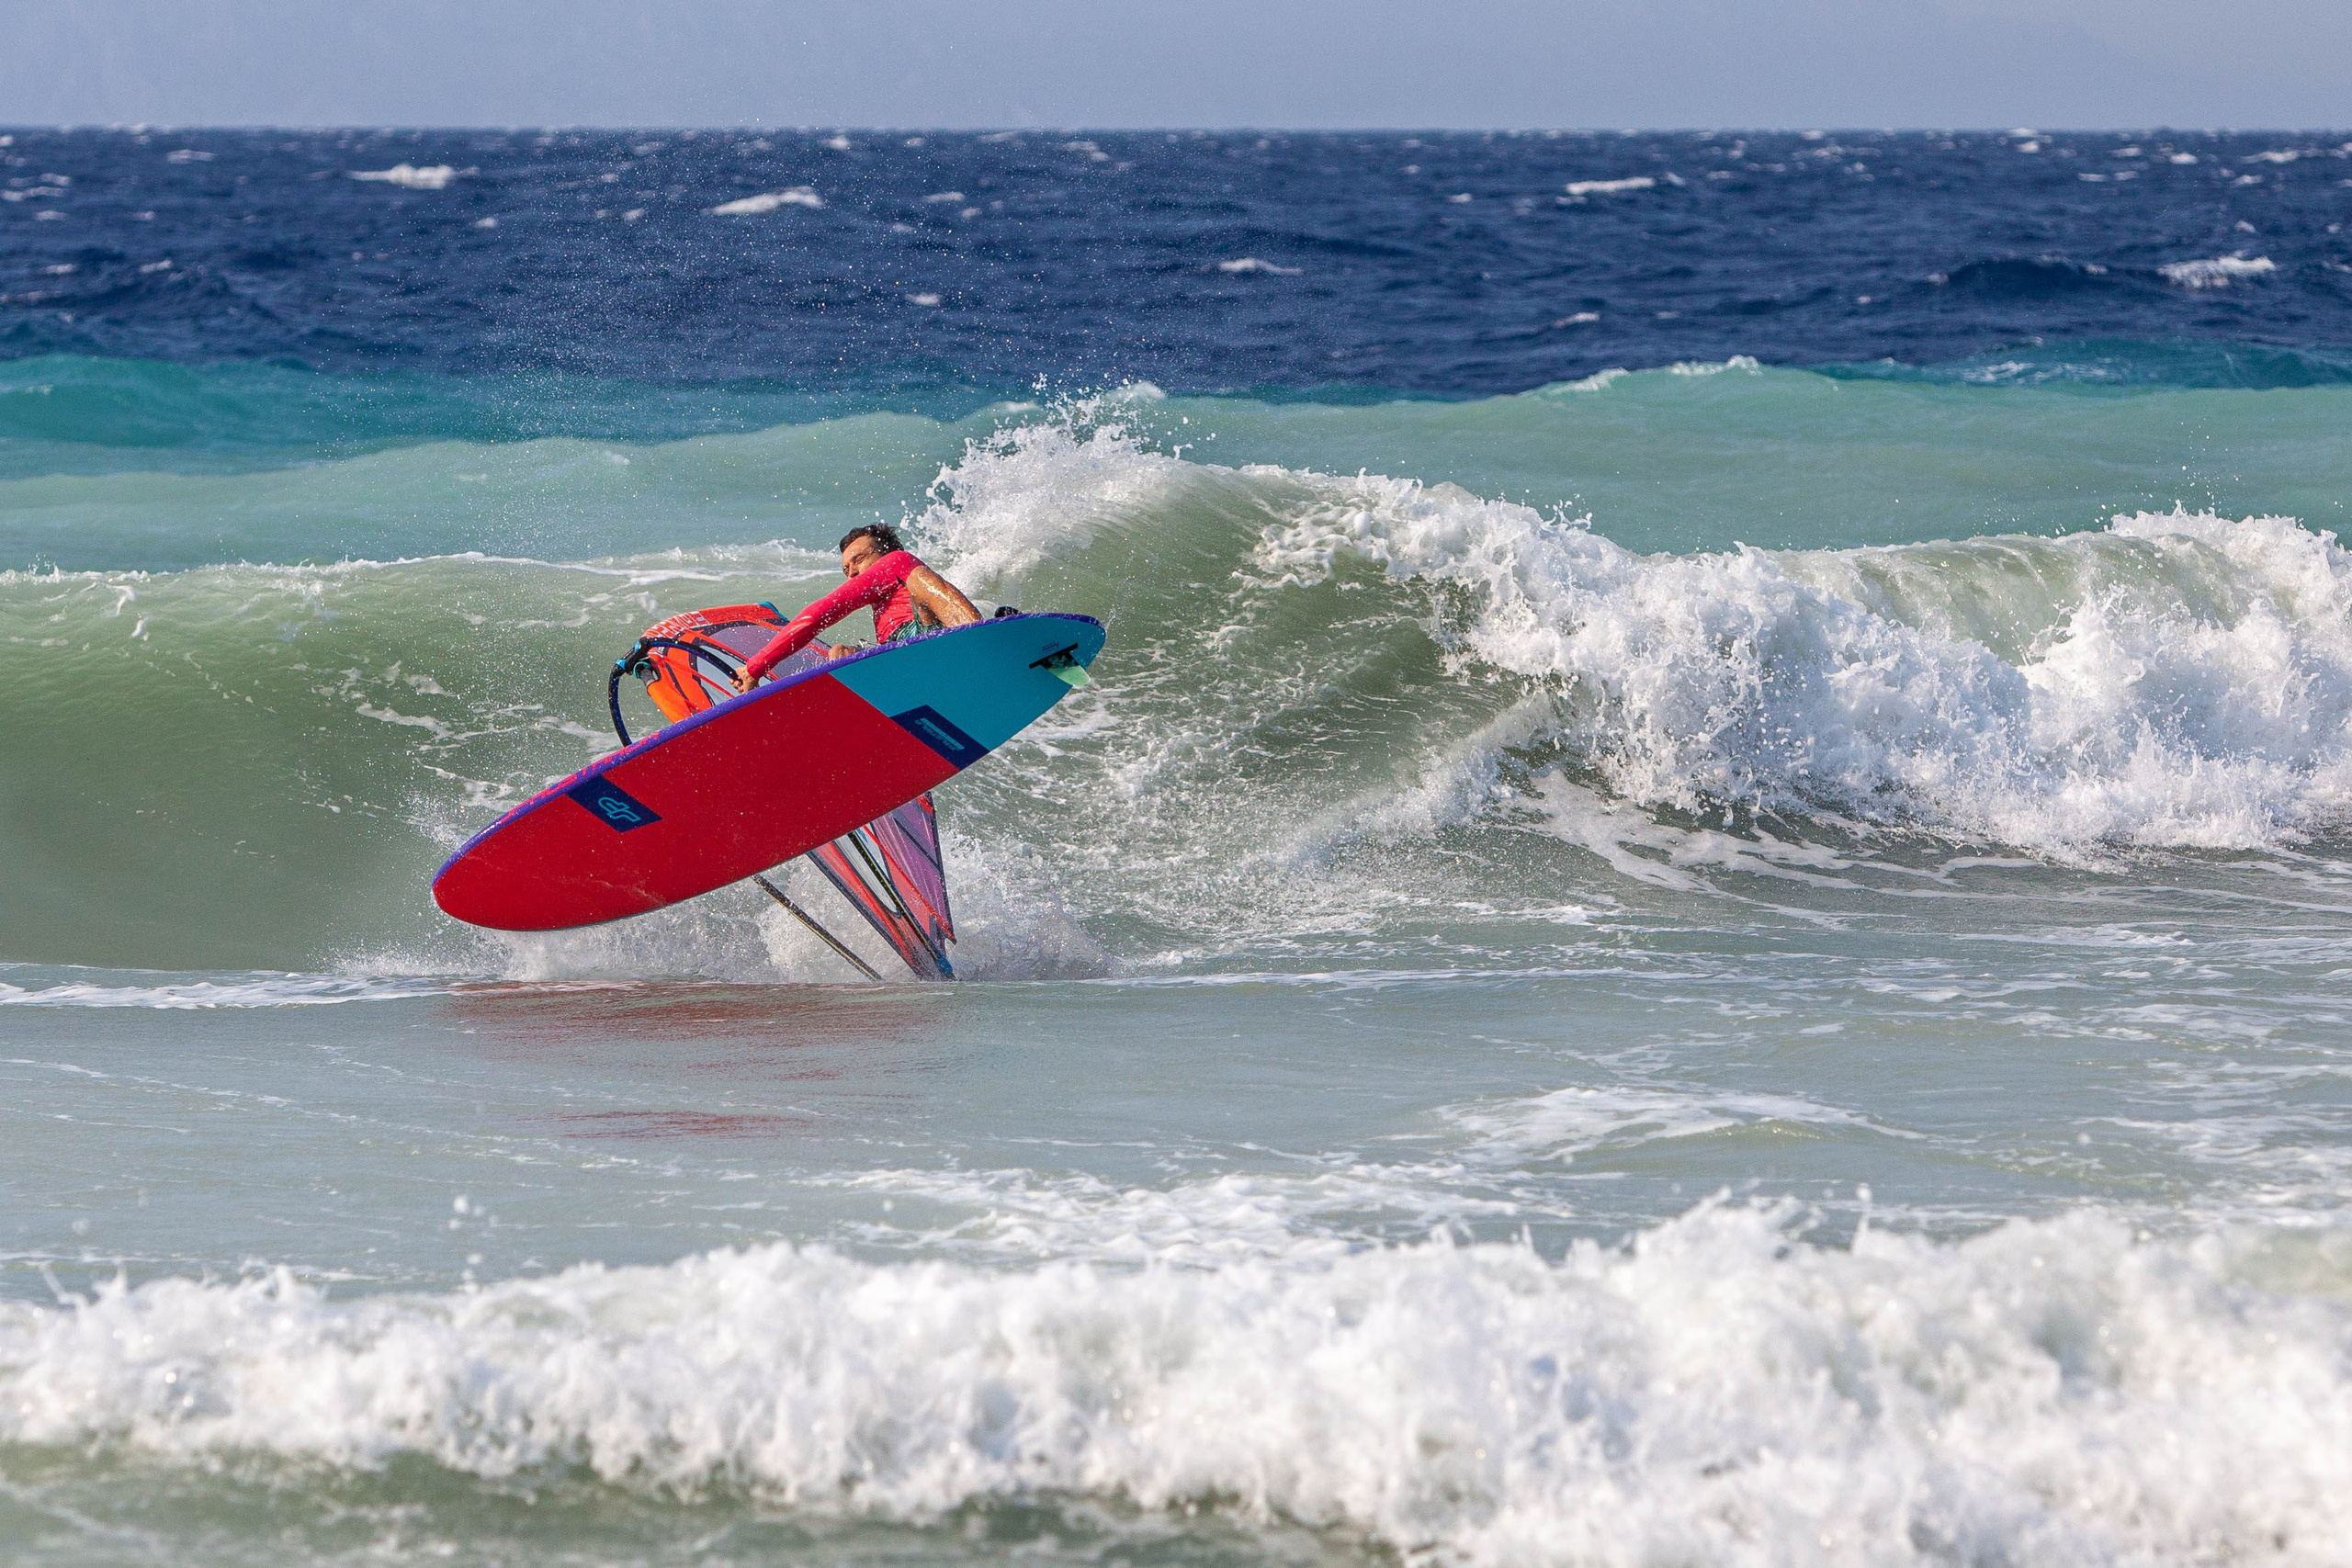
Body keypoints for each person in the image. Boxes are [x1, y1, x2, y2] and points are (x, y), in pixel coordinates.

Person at [732, 524, 981, 691]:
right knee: (840, 654)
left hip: (934, 637)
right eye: (845, 569)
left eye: (858, 559)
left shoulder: (896, 561)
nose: (852, 572)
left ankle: (979, 639)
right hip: (903, 657)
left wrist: (756, 666)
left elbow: (815, 616)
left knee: (919, 590)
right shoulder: (884, 595)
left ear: (885, 553)